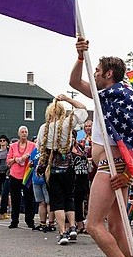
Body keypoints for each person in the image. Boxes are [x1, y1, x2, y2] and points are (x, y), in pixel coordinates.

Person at [69, 38, 133, 257]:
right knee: (117, 228)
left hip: (111, 167)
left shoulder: (121, 97)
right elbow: (75, 83)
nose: (94, 73)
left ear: (108, 74)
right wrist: (80, 57)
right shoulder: (103, 96)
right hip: (115, 167)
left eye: (96, 70)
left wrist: (127, 172)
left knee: (93, 225)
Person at [36, 94, 89, 245]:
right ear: (61, 112)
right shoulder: (67, 124)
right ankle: (72, 226)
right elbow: (82, 109)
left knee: (57, 201)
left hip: (52, 169)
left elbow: (39, 146)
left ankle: (62, 232)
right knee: (69, 197)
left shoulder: (43, 128)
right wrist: (67, 99)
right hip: (68, 168)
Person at [7, 125, 36, 229]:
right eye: (22, 132)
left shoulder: (32, 145)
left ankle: (30, 220)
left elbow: (36, 158)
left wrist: (28, 157)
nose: (24, 133)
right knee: (15, 199)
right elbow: (8, 161)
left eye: (25, 132)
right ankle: (14, 220)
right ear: (18, 134)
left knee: (29, 199)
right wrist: (16, 159)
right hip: (15, 175)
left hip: (27, 175)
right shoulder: (13, 146)